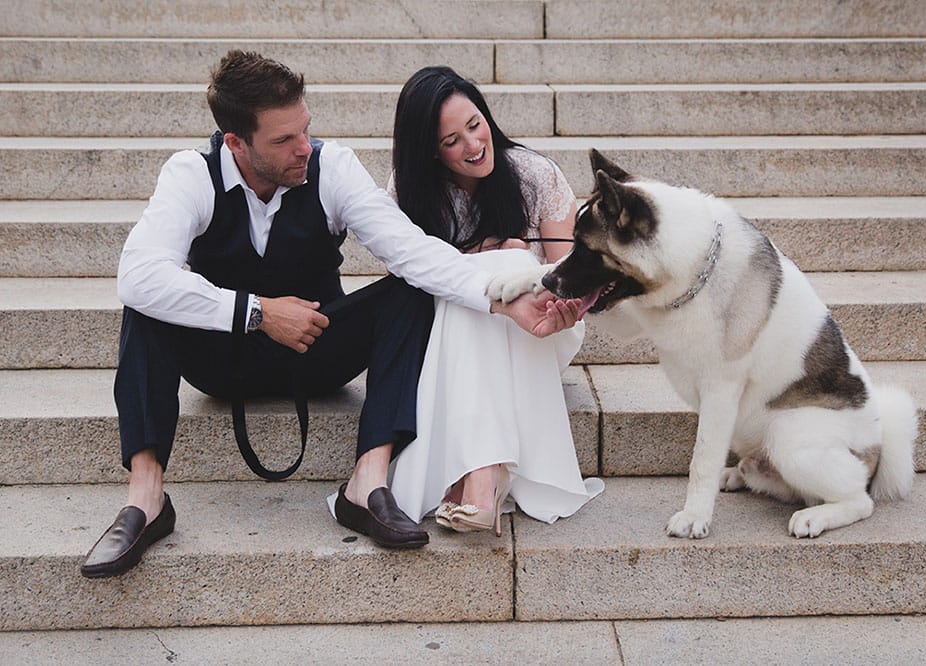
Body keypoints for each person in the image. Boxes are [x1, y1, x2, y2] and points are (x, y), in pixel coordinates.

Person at [80, 51, 580, 578]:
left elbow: (413, 251)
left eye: (305, 129)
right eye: (283, 141)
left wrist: (506, 300)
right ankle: (146, 499)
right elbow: (136, 275)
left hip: (318, 349)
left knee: (408, 288)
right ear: (236, 143)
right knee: (145, 302)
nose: (304, 148)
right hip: (221, 362)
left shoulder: (331, 166)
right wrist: (256, 312)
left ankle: (367, 483)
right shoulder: (192, 175)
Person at [382, 66, 604, 535]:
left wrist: (516, 265)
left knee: (508, 262)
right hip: (451, 335)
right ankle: (486, 478)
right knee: (484, 274)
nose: (473, 145)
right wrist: (480, 259)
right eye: (451, 141)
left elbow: (573, 273)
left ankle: (475, 479)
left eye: (475, 124)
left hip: (546, 323)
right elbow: (410, 285)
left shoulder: (533, 174)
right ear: (429, 151)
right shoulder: (408, 191)